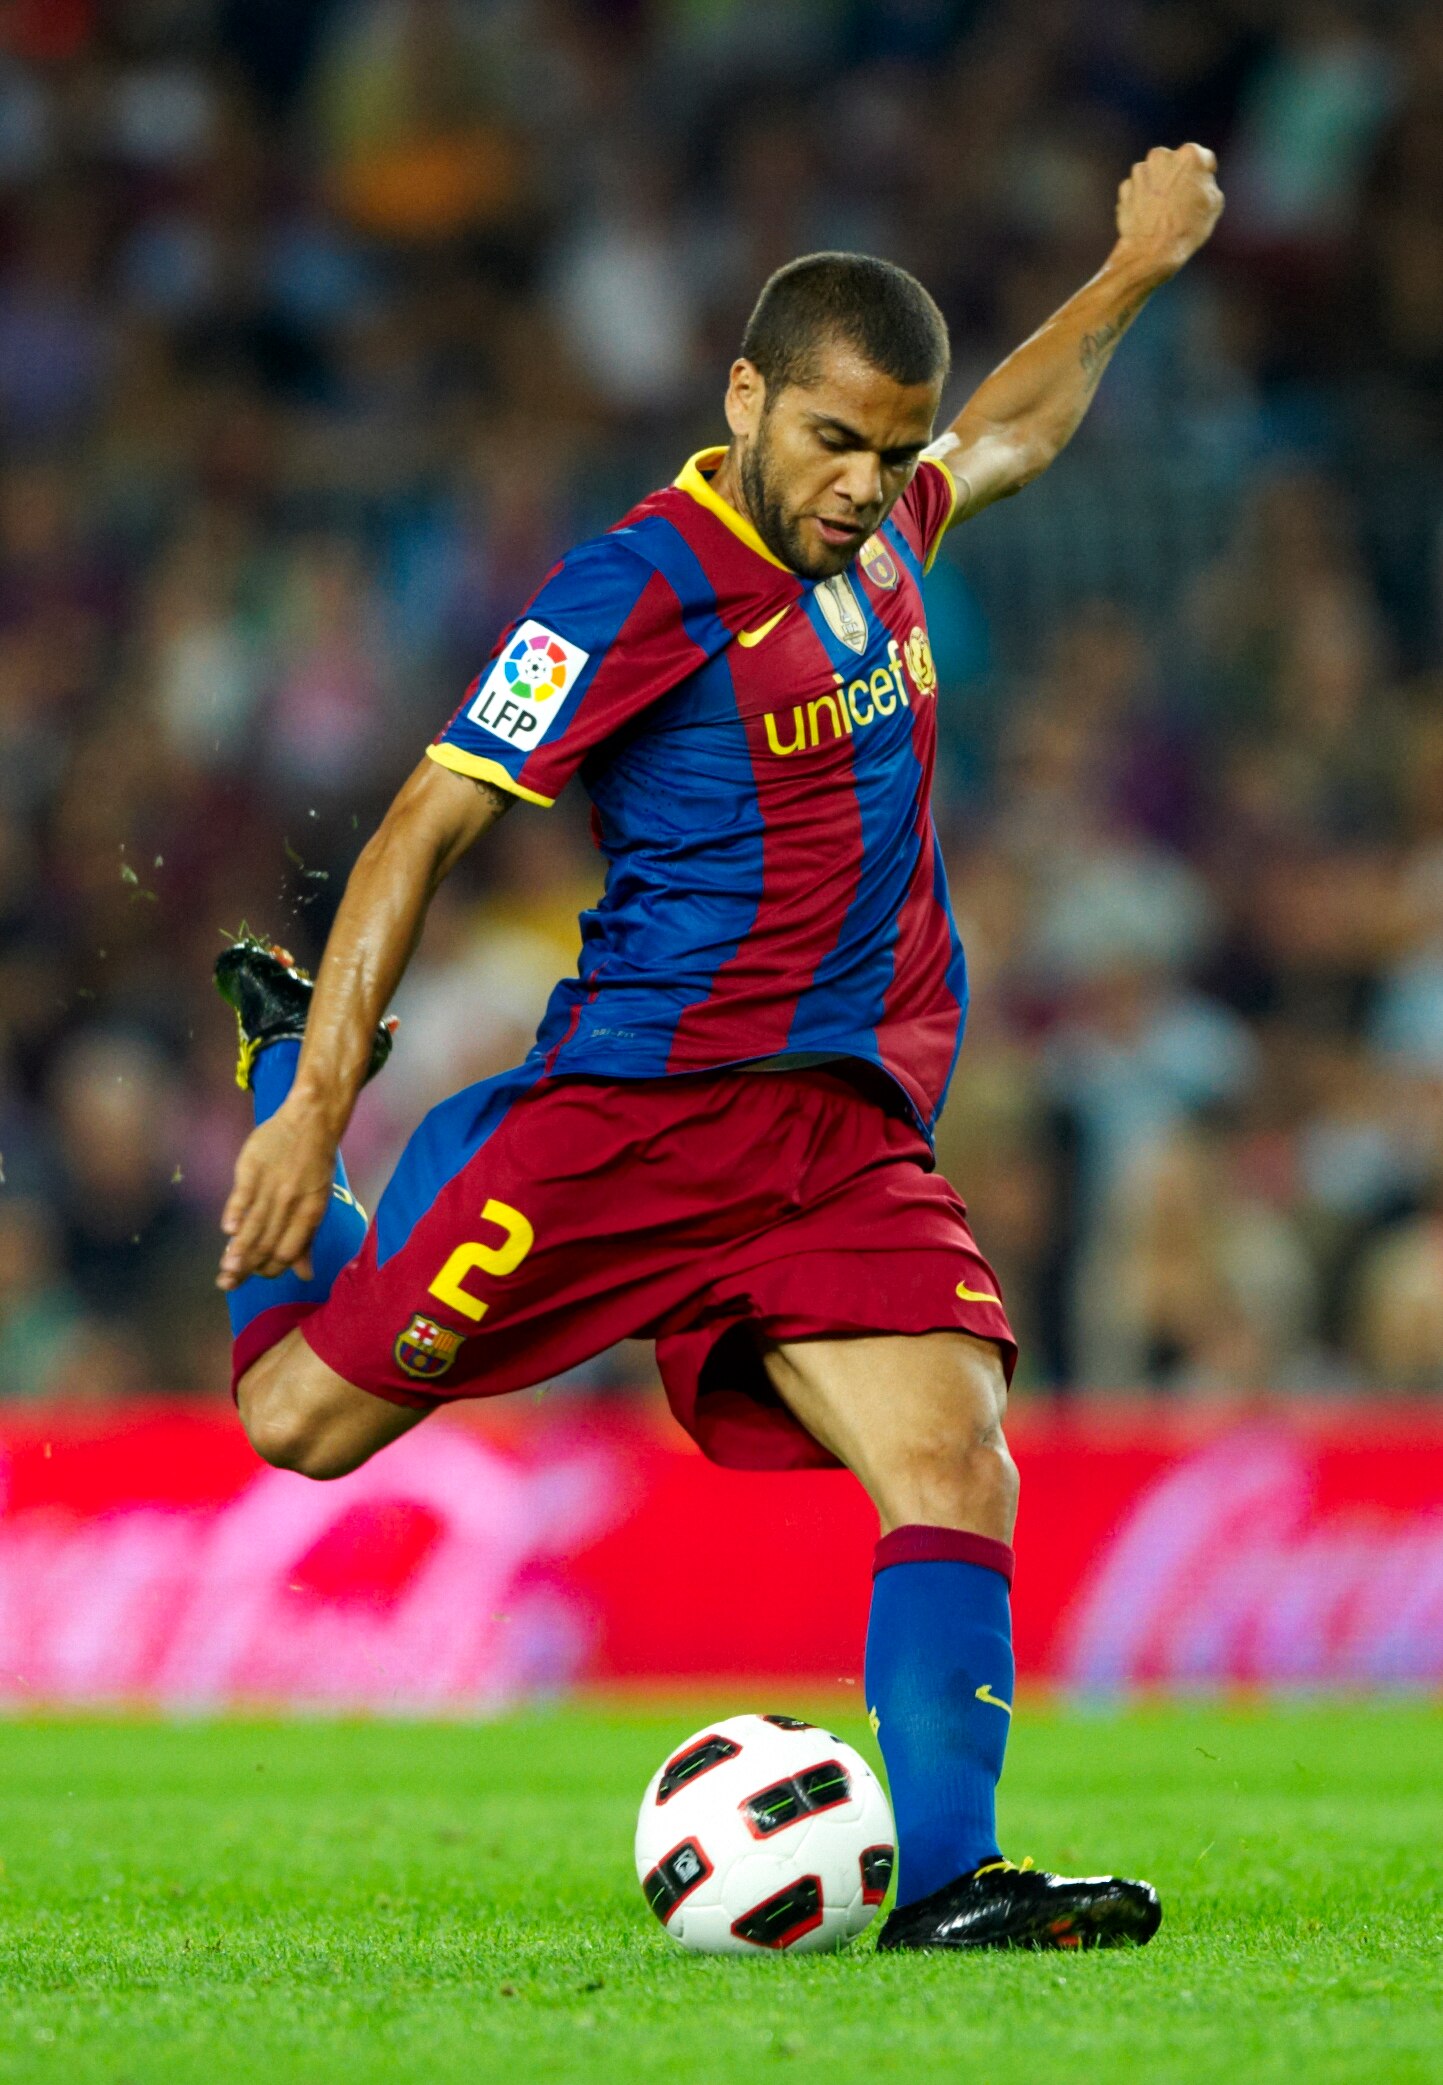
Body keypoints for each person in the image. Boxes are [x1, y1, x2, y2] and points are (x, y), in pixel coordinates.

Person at [214, 145, 1223, 1951]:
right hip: (630, 1121)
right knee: (300, 1419)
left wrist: (1136, 263)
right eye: (835, 441)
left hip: (835, 1127)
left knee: (957, 1455)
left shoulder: (901, 517)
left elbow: (1016, 426)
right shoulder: (628, 589)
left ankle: (954, 1881)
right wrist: (324, 1099)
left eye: (892, 449)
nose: (868, 484)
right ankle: (276, 1090)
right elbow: (419, 828)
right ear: (746, 397)